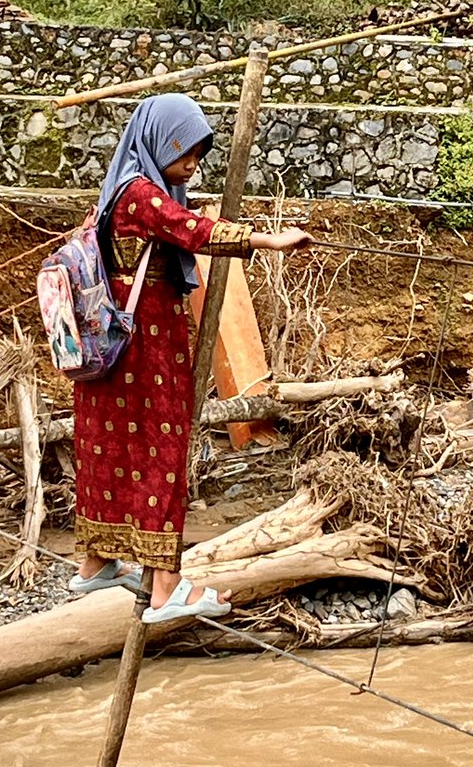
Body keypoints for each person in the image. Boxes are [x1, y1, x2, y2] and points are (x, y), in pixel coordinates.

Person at [68, 92, 312, 623]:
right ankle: (166, 590)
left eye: (199, 154)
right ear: (161, 140)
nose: (193, 164)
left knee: (110, 447)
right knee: (164, 448)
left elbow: (179, 223)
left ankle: (97, 561)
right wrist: (269, 240)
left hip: (114, 348)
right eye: (187, 151)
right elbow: (192, 231)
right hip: (145, 347)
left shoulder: (121, 194)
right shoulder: (141, 195)